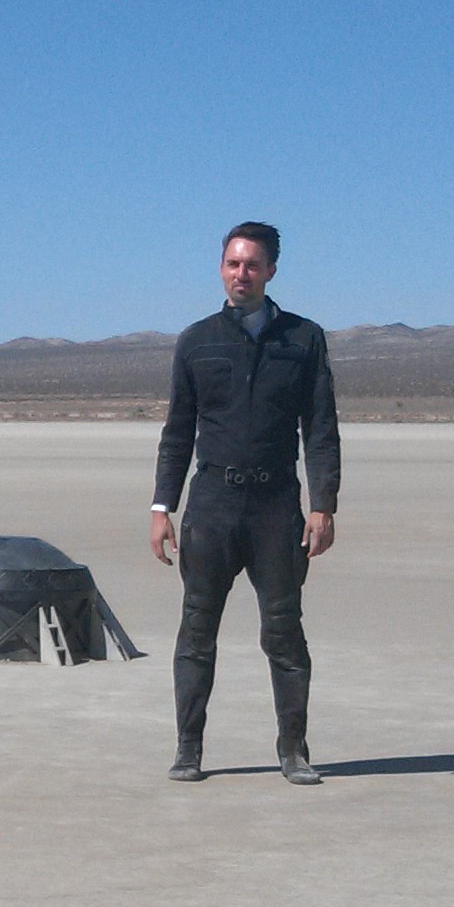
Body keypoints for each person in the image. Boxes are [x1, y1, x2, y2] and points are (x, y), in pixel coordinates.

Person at [148, 219, 341, 785]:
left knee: (283, 631)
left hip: (276, 506)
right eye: (233, 264)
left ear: (271, 271)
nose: (242, 274)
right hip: (212, 504)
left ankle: (294, 750)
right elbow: (177, 431)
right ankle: (188, 749)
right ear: (222, 268)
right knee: (197, 629)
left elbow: (321, 428)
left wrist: (323, 503)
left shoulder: (303, 340)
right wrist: (163, 508)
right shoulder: (198, 341)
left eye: (253, 265)